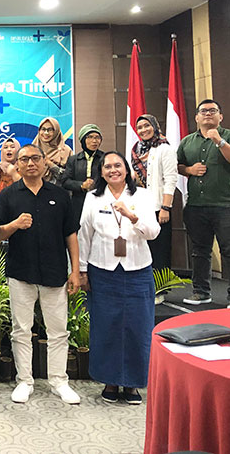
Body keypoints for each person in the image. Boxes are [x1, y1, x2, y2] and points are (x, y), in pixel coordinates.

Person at [0, 143, 82, 405]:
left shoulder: (60, 195)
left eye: (35, 158)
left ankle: (59, 381)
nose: (30, 163)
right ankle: (24, 381)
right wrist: (14, 225)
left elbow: (71, 235)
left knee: (58, 331)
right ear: (17, 166)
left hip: (55, 271)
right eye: (24, 160)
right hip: (21, 271)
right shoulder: (8, 195)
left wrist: (75, 271)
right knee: (21, 330)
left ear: (44, 163)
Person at [78, 151, 161, 405]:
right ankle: (110, 381)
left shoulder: (142, 196)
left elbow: (153, 232)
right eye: (107, 167)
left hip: (137, 270)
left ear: (126, 169)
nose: (113, 170)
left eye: (118, 165)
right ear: (101, 172)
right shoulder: (93, 197)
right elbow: (84, 234)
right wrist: (82, 270)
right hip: (102, 270)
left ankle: (133, 384)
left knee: (138, 326)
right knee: (106, 326)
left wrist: (132, 217)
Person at [177, 99, 230, 307]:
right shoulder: (187, 141)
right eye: (203, 111)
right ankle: (201, 292)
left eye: (213, 110)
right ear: (196, 117)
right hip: (196, 205)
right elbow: (178, 165)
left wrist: (220, 141)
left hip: (227, 205)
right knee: (200, 250)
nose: (208, 113)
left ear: (220, 116)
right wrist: (189, 170)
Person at [131, 115, 177, 274]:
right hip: (142, 208)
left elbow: (170, 180)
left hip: (159, 207)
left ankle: (161, 286)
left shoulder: (165, 148)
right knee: (144, 250)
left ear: (155, 126)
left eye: (147, 125)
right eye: (140, 127)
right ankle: (146, 284)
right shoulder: (136, 149)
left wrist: (165, 207)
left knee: (160, 250)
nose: (143, 130)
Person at [60, 124, 104, 229]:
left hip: (100, 200)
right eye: (90, 137)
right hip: (78, 203)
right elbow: (65, 181)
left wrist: (96, 185)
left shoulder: (105, 157)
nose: (94, 141)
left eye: (97, 137)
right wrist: (81, 185)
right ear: (83, 140)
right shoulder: (73, 159)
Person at [34, 117, 72, 184]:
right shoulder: (32, 150)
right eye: (43, 129)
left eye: (50, 130)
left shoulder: (66, 150)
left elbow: (69, 176)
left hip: (59, 189)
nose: (46, 133)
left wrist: (50, 164)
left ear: (56, 131)